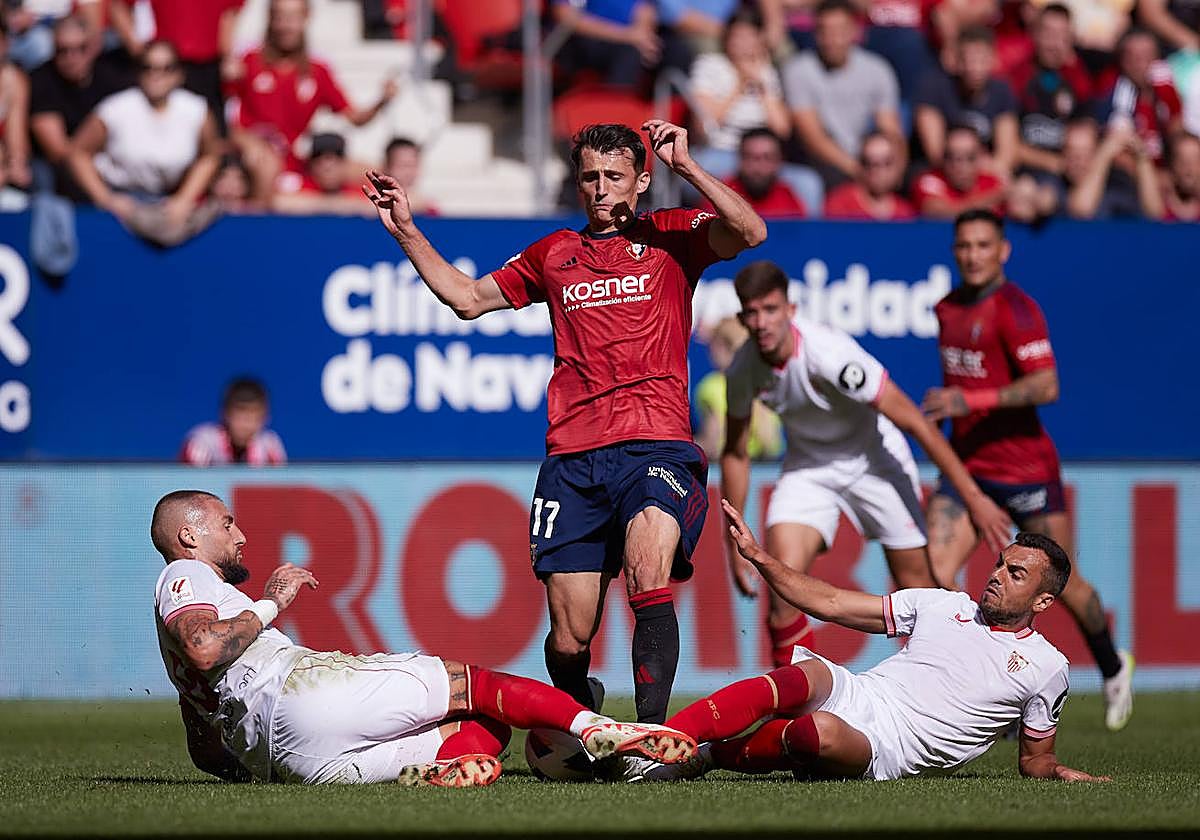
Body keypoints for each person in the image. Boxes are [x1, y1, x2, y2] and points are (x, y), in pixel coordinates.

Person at [363, 120, 767, 724]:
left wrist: (688, 167)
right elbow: (468, 299)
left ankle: (651, 738)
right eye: (590, 177)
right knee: (570, 637)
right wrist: (407, 231)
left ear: (640, 181)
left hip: (655, 443)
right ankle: (585, 716)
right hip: (574, 457)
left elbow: (751, 230)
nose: (601, 188)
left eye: (614, 176)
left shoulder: (673, 237)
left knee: (647, 571)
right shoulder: (554, 254)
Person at [151, 490, 697, 786]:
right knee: (475, 684)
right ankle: (599, 726)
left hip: (293, 764)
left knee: (486, 728)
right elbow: (205, 645)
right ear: (189, 535)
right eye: (226, 524)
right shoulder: (187, 576)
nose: (240, 535)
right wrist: (272, 602)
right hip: (296, 693)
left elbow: (204, 747)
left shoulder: (175, 622)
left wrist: (251, 767)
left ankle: (446, 769)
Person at [618, 499, 1111, 784]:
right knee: (804, 676)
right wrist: (759, 557)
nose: (998, 575)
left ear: (1043, 602)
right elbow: (831, 602)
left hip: (891, 747)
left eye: (1016, 573)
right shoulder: (944, 604)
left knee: (818, 733)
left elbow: (1034, 760)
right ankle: (652, 746)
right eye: (1001, 563)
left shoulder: (1048, 668)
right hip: (865, 692)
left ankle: (703, 757)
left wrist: (1064, 774)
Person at [720, 260, 1011, 667]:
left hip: (874, 459)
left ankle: (971, 685)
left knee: (923, 598)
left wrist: (974, 497)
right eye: (752, 312)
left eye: (771, 309)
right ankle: (804, 715)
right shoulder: (742, 371)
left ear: (790, 310)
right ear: (742, 318)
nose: (762, 322)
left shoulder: (831, 356)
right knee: (782, 591)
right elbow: (734, 453)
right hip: (809, 467)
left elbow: (912, 419)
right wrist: (732, 543)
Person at [920, 209, 1134, 732]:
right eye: (964, 246)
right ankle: (967, 685)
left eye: (983, 245)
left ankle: (1112, 666)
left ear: (1003, 251)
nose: (972, 255)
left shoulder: (1017, 310)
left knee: (1067, 586)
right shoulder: (946, 307)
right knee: (935, 574)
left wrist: (969, 402)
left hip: (1026, 472)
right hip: (971, 471)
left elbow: (1047, 386)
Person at [225, 0, 397, 199]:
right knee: (265, 164)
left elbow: (355, 117)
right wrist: (247, 142)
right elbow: (223, 121)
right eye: (280, 17)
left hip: (297, 159)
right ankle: (257, 225)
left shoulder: (317, 71)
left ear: (305, 18)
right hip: (252, 157)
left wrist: (382, 100)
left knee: (377, 176)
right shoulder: (249, 61)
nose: (286, 25)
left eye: (292, 18)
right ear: (270, 20)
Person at [67, 39, 222, 245]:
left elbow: (210, 155)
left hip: (168, 203)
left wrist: (185, 198)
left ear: (179, 74)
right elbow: (78, 153)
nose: (156, 75)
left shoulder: (195, 110)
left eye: (166, 68)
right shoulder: (115, 109)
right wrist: (105, 199)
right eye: (148, 67)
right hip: (123, 203)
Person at [783, 0, 905, 191]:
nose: (832, 39)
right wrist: (857, 170)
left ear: (854, 32)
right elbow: (813, 138)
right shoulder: (798, 71)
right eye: (825, 31)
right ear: (816, 34)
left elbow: (890, 130)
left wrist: (896, 170)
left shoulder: (877, 70)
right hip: (821, 162)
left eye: (839, 31)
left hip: (866, 157)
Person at [28, 15, 126, 200]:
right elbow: (57, 151)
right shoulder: (41, 81)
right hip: (59, 166)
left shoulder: (113, 78)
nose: (71, 58)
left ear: (93, 47)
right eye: (62, 50)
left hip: (105, 159)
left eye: (80, 49)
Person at [914, 26, 1019, 177]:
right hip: (943, 173)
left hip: (986, 174)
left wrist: (989, 168)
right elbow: (935, 153)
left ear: (993, 60)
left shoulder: (1002, 91)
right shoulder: (934, 88)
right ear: (957, 62)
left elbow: (1006, 155)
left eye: (981, 60)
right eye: (969, 59)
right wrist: (977, 165)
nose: (974, 67)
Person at [693, 315, 783, 463]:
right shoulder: (766, 382)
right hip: (764, 474)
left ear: (721, 346)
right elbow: (772, 444)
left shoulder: (712, 386)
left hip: (726, 471)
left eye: (713, 344)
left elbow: (712, 445)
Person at [702, 128, 808, 218]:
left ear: (779, 161)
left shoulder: (787, 196)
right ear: (740, 159)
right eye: (751, 157)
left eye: (767, 158)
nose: (758, 167)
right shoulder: (719, 195)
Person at [181, 378, 287, 466]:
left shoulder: (270, 445)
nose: (246, 425)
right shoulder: (202, 441)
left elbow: (280, 485)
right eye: (240, 416)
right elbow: (191, 485)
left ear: (266, 418)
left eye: (254, 418)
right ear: (225, 414)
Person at [912, 124, 1007, 218]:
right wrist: (995, 197)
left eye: (969, 157)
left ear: (981, 157)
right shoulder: (929, 181)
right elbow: (939, 211)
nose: (959, 166)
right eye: (951, 157)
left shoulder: (993, 182)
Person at [272, 132, 374, 217]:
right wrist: (334, 204)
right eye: (319, 162)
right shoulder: (298, 185)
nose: (327, 168)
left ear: (345, 164)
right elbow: (277, 202)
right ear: (311, 165)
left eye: (335, 162)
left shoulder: (359, 189)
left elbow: (372, 207)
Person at [822, 131, 916, 220]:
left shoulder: (905, 213)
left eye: (886, 162)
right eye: (870, 163)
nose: (878, 170)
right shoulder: (839, 205)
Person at [382, 136, 437, 216]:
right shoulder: (367, 198)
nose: (408, 172)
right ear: (387, 167)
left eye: (413, 165)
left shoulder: (428, 210)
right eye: (402, 165)